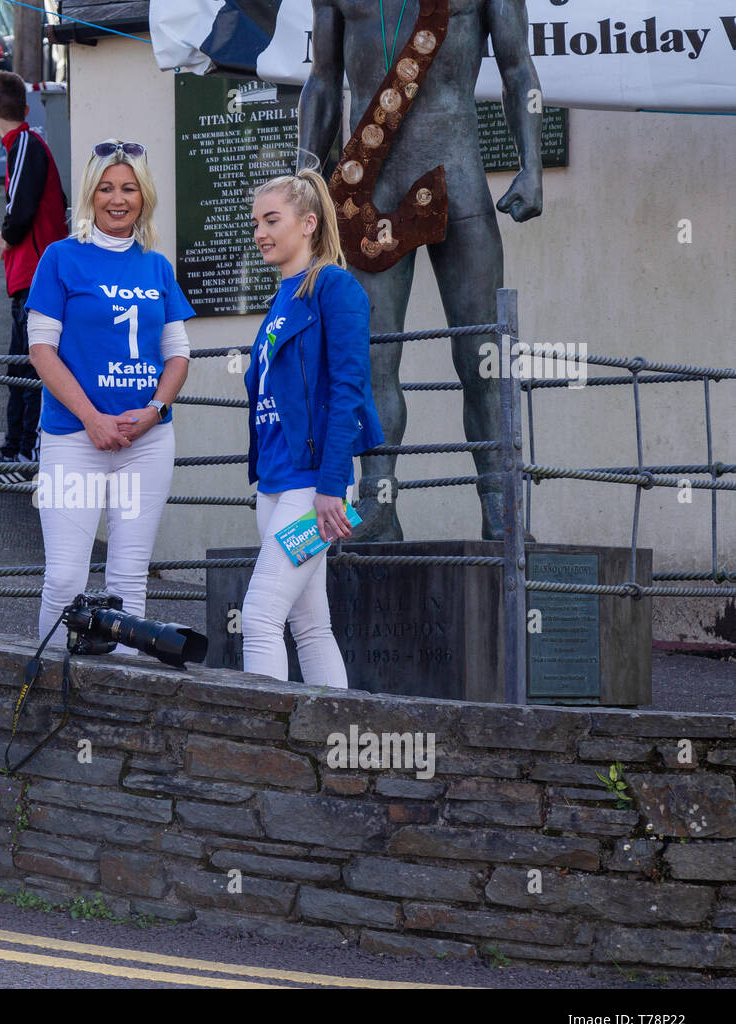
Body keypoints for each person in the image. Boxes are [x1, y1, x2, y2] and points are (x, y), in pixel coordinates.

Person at [299, 0, 543, 541]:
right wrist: (305, 174)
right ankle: (378, 502)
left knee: (482, 357)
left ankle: (500, 505)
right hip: (372, 188)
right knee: (372, 359)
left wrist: (532, 163)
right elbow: (321, 81)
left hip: (458, 179)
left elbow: (517, 69)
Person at [26, 140, 194, 649]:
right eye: (106, 188)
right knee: (64, 580)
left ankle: (124, 698)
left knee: (128, 583)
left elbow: (178, 355)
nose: (117, 199)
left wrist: (155, 409)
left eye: (128, 188)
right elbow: (41, 351)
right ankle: (52, 692)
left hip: (145, 443)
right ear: (89, 194)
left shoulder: (156, 267)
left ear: (144, 196)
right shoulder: (60, 258)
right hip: (73, 438)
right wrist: (93, 418)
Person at [240, 171, 385, 684]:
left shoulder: (335, 287)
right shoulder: (282, 299)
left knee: (258, 617)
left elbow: (349, 389)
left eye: (271, 220)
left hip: (313, 486)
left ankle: (266, 749)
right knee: (310, 623)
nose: (260, 231)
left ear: (308, 223)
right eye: (256, 222)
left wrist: (331, 487)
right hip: (277, 484)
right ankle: (331, 745)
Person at [0, 71, 68, 488]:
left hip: (33, 277)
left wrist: (4, 236)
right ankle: (15, 449)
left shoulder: (25, 146)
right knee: (22, 368)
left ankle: (27, 456)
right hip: (33, 278)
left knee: (29, 370)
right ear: (26, 107)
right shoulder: (29, 145)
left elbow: (19, 211)